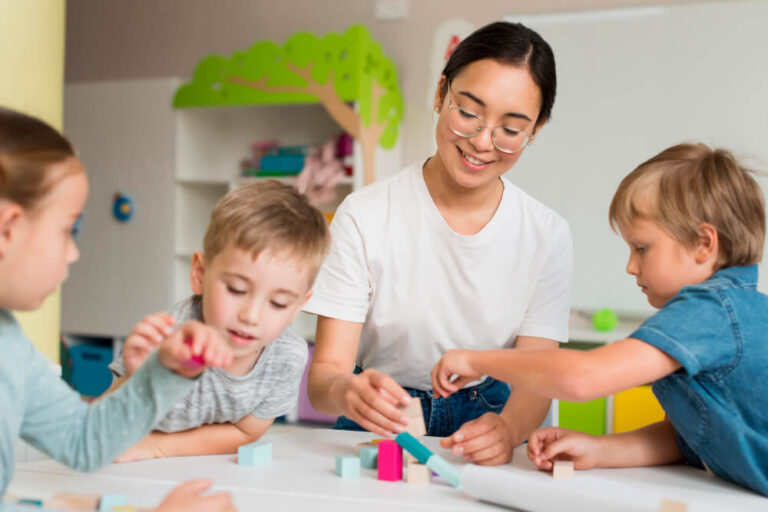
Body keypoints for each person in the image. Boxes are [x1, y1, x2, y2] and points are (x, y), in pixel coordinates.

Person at [304, 21, 572, 466]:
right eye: (467, 113)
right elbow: (325, 378)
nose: (482, 142)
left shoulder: (547, 233)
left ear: (536, 129)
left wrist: (508, 429)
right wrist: (345, 391)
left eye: (511, 129)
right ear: (440, 93)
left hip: (492, 415)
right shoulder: (365, 213)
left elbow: (536, 379)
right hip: (380, 413)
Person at [431, 143, 768, 496]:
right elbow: (682, 438)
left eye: (642, 248)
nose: (630, 266)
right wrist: (599, 449)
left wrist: (478, 359)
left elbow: (583, 378)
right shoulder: (726, 315)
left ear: (703, 243)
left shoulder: (710, 312)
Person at [0, 106, 236, 510]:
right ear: (8, 229)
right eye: (68, 230)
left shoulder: (9, 342)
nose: (73, 253)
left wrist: (166, 371)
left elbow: (82, 439)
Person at [106, 180, 330, 461]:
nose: (250, 316)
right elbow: (98, 422)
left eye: (278, 303)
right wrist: (140, 378)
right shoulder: (170, 334)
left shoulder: (287, 357)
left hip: (198, 467)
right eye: (236, 289)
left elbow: (246, 433)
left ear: (298, 306)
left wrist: (156, 447)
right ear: (200, 274)